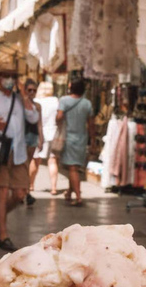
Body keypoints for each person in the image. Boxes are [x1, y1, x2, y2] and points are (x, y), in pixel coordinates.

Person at [0, 68, 39, 251]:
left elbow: (33, 118)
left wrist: (26, 98)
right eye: (6, 77)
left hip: (18, 152)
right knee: (1, 192)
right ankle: (3, 235)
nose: (9, 80)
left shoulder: (19, 99)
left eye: (13, 77)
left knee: (20, 194)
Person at [57, 79, 93, 207]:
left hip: (69, 137)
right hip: (82, 138)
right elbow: (90, 123)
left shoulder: (64, 101)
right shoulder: (87, 103)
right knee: (75, 167)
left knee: (72, 169)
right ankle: (69, 192)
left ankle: (78, 197)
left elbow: (59, 117)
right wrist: (92, 140)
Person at [30, 82, 60, 195]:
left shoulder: (37, 102)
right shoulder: (56, 101)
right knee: (52, 161)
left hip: (39, 133)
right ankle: (53, 188)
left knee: (35, 160)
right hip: (52, 133)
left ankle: (31, 184)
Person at [23, 79, 44, 206]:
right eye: (29, 90)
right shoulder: (21, 104)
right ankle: (23, 191)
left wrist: (41, 138)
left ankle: (25, 191)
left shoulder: (37, 106)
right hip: (21, 137)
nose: (32, 92)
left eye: (34, 90)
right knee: (21, 165)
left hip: (32, 136)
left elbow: (39, 123)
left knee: (27, 165)